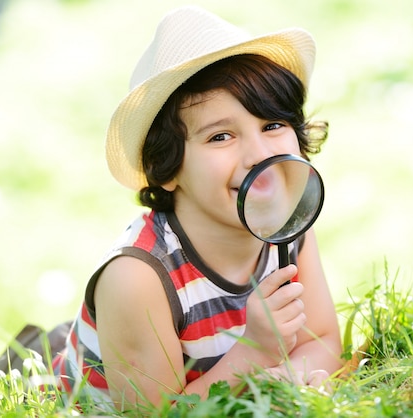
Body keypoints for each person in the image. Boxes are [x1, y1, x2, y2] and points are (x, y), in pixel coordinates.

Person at [52, 5, 344, 409]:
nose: (258, 154)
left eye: (272, 125)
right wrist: (254, 353)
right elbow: (154, 414)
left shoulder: (290, 222)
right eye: (221, 137)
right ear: (166, 168)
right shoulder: (138, 278)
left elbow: (324, 340)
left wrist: (288, 383)